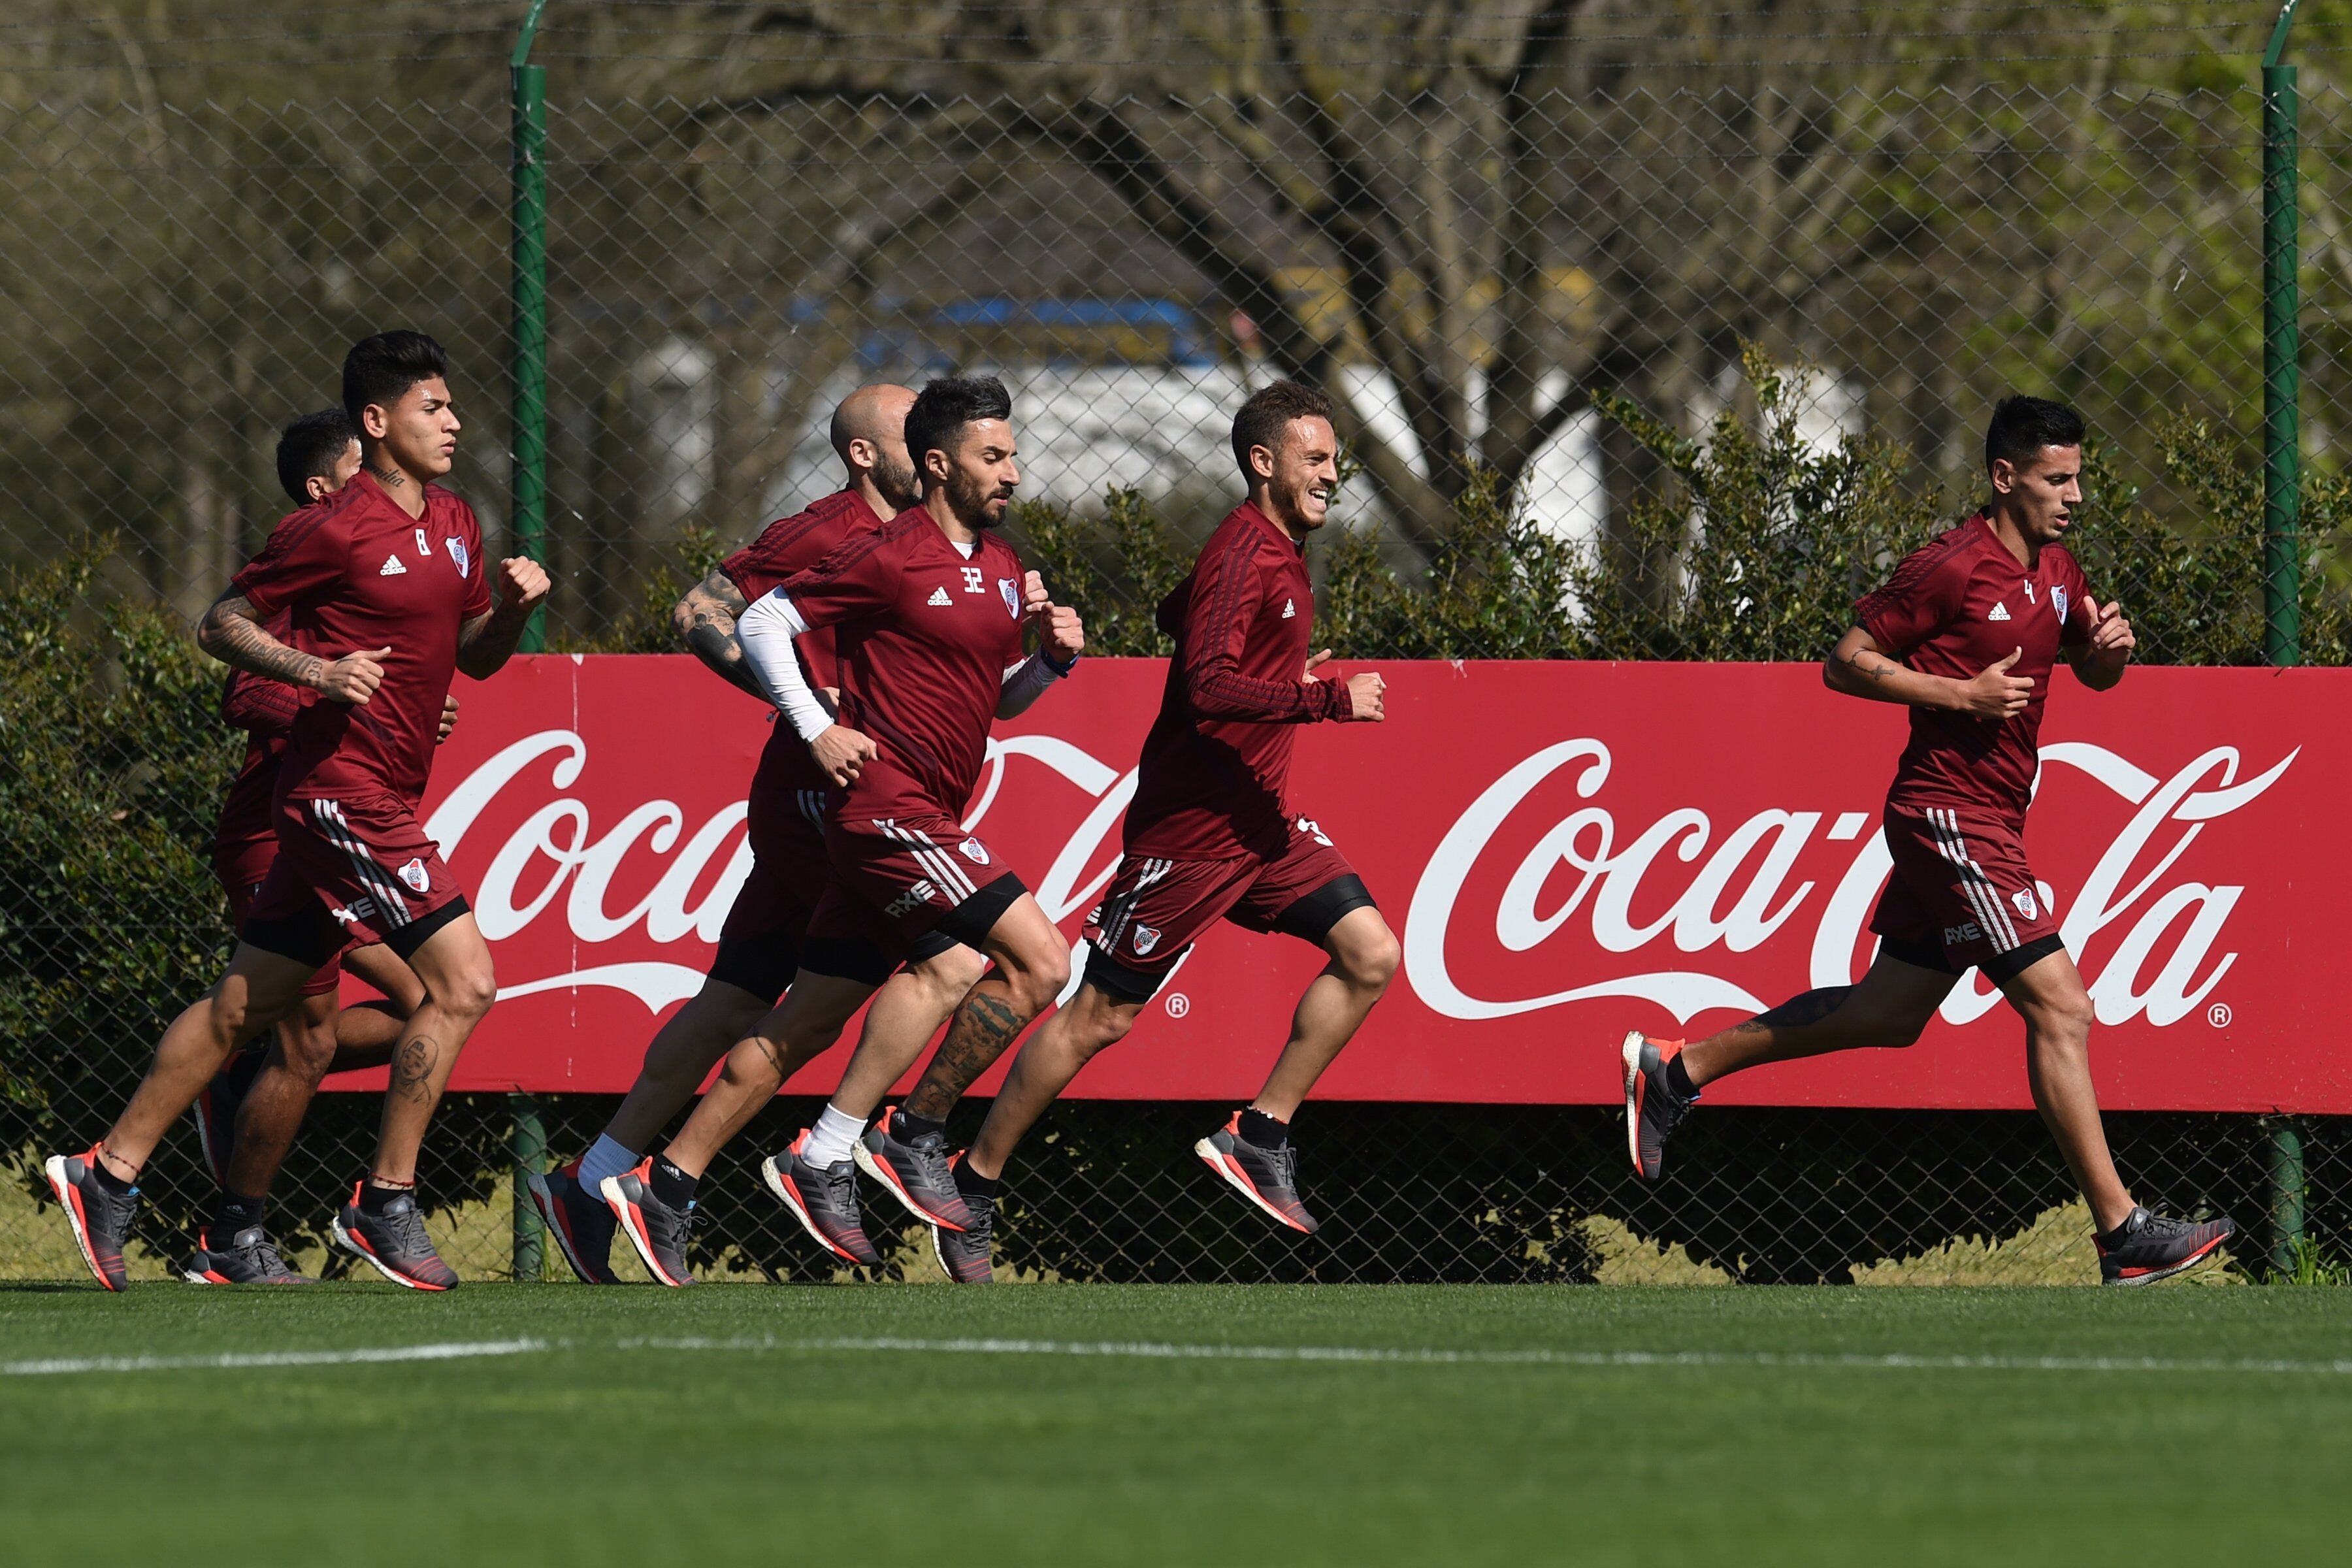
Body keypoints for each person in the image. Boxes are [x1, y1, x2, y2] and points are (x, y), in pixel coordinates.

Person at [1620, 394, 2235, 1286]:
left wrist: (2108, 648)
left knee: (1889, 1015)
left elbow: (2093, 673)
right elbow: (1845, 661)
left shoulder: (2059, 563)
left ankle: (1674, 1071)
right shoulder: (1950, 565)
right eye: (2057, 479)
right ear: (2005, 476)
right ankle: (2121, 1233)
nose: (2074, 496)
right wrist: (1960, 698)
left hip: (1990, 814)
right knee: (2062, 1009)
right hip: (1947, 815)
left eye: (2078, 479)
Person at [44, 331, 549, 1292]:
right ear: (377, 422)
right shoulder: (332, 525)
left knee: (251, 1006)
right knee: (463, 984)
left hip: (386, 794)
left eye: (451, 405)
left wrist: (516, 611)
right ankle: (385, 1206)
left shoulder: (454, 519)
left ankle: (105, 1173)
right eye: (432, 407)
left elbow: (477, 655)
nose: (454, 421)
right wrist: (320, 672)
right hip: (337, 797)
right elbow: (220, 624)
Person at [599, 374, 1084, 1288]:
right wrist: (814, 725)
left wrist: (1050, 665)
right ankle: (896, 1138)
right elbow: (764, 619)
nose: (1014, 470)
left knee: (808, 1017)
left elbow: (1001, 704)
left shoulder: (1004, 564)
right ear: (937, 465)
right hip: (884, 809)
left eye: (1015, 454)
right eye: (995, 456)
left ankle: (668, 1183)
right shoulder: (888, 551)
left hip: (930, 810)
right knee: (1040, 962)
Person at [527, 386, 987, 1283]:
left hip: (837, 801)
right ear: (864, 454)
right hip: (826, 804)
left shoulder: (937, 543)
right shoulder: (827, 528)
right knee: (953, 961)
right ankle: (814, 1157)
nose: (933, 446)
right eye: (909, 432)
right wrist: (808, 713)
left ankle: (591, 1182)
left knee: (735, 1001)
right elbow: (699, 610)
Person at [945, 380, 1395, 1282]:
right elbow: (1204, 686)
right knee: (1098, 1018)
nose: (1332, 475)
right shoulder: (1246, 553)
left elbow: (1179, 619)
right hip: (1191, 834)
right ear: (1264, 463)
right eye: (1316, 459)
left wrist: (1243, 644)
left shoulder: (1269, 548)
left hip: (1257, 822)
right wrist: (1324, 698)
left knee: (1371, 953)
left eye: (1335, 461)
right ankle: (973, 1185)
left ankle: (1258, 1133)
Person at [188, 409, 458, 1282]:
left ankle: (234, 1108)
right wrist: (326, 684)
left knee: (414, 1004)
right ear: (324, 487)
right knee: (330, 1030)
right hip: (276, 832)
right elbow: (240, 689)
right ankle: (231, 1221)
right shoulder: (306, 563)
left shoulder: (389, 567)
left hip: (327, 833)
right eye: (364, 462)